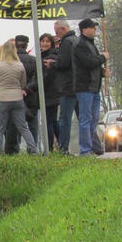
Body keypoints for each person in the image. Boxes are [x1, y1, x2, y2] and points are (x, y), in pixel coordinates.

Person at [0, 41, 39, 155]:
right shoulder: (19, 65)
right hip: (17, 99)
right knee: (23, 127)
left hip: (2, 98)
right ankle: (34, 150)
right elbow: (23, 83)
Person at [72, 19, 110, 156]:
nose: (95, 30)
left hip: (94, 87)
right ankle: (85, 149)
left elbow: (93, 65)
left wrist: (101, 72)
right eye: (92, 28)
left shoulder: (91, 44)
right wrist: (103, 57)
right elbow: (88, 62)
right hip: (84, 87)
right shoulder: (80, 44)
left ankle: (93, 147)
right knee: (85, 119)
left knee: (94, 119)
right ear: (84, 30)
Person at [5, 35, 39, 154]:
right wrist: (27, 89)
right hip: (31, 96)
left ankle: (11, 151)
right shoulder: (34, 60)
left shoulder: (9, 61)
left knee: (13, 124)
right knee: (32, 124)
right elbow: (37, 79)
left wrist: (18, 89)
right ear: (26, 45)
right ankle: (33, 149)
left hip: (13, 96)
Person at [52, 19, 80, 154]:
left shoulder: (66, 43)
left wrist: (52, 64)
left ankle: (63, 148)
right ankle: (94, 146)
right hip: (79, 86)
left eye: (56, 32)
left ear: (63, 29)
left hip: (67, 87)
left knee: (64, 120)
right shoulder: (77, 40)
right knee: (84, 119)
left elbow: (63, 63)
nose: (56, 35)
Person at [39, 33, 60, 150]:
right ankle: (59, 143)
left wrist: (37, 85)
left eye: (47, 41)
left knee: (49, 120)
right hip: (48, 92)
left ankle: (50, 147)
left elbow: (48, 76)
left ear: (51, 43)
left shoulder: (52, 57)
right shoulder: (41, 56)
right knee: (51, 119)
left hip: (50, 92)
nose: (45, 43)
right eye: (43, 41)